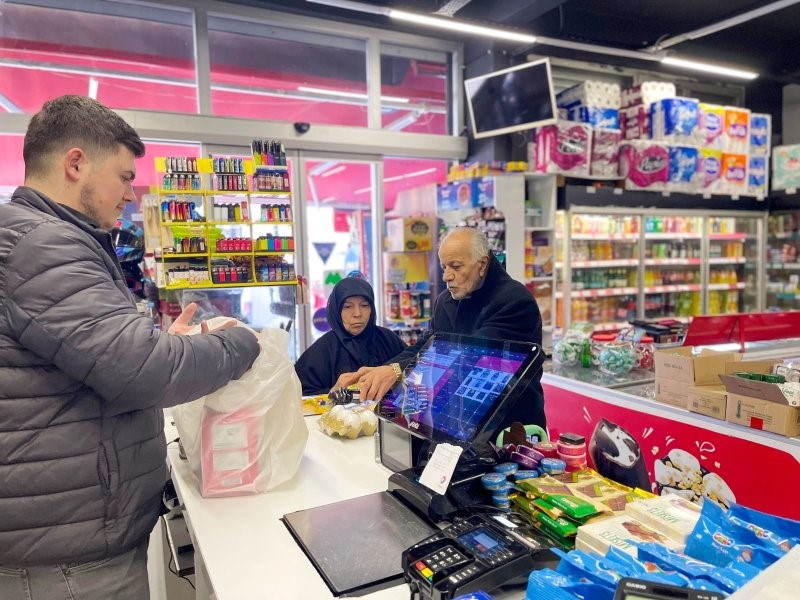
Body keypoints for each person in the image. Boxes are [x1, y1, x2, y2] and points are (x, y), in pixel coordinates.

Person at [0, 95, 260, 599]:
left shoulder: (38, 238)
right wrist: (241, 341)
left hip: (60, 531)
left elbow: (96, 357)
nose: (129, 193)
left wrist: (157, 344)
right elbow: (144, 371)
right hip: (67, 559)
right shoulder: (44, 246)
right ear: (76, 164)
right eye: (123, 177)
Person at [336, 226, 545, 432]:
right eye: (444, 267)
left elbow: (471, 358)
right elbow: (426, 346)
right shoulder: (445, 301)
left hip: (508, 428)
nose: (446, 276)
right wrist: (386, 370)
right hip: (456, 421)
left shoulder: (514, 301)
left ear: (482, 265)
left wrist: (398, 372)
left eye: (456, 267)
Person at [295, 276, 406, 395]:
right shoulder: (322, 351)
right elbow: (300, 396)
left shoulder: (388, 339)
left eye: (364, 305)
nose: (357, 314)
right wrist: (334, 392)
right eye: (347, 307)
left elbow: (414, 370)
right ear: (337, 311)